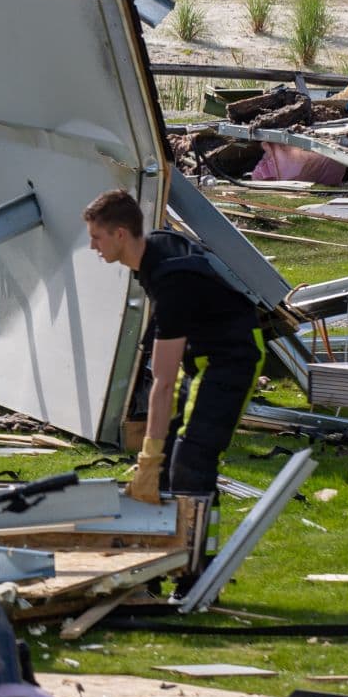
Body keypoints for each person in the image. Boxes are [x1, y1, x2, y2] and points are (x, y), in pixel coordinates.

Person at [84, 189, 264, 545]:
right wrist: (155, 455)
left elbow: (163, 383)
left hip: (231, 359)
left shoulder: (171, 283)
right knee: (167, 465)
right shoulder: (156, 249)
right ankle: (159, 559)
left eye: (96, 238)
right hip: (199, 357)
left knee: (191, 465)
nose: (93, 247)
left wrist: (147, 453)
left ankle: (197, 568)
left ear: (120, 234)